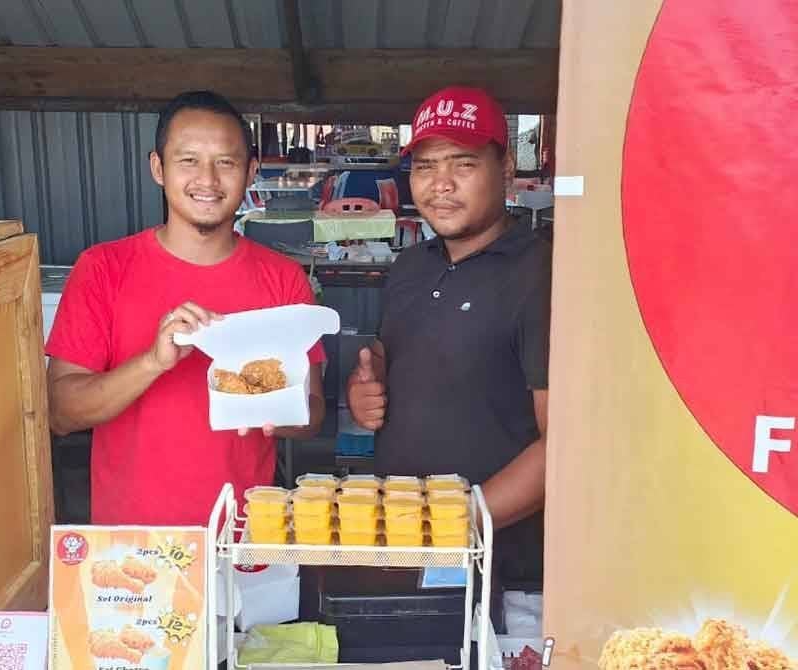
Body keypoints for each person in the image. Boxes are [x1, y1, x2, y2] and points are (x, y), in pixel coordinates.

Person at [46, 90, 326, 526]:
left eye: (226, 162)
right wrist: (152, 362)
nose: (208, 180)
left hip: (244, 540)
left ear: (251, 171)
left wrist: (280, 412)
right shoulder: (103, 268)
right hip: (135, 549)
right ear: (158, 167)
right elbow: (60, 412)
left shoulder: (283, 279)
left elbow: (313, 410)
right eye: (188, 160)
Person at [347, 85, 551, 580]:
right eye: (425, 166)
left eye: (462, 164)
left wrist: (458, 523)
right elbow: (389, 355)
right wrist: (362, 389)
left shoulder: (543, 273)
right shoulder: (411, 266)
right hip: (400, 544)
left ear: (504, 171)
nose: (441, 183)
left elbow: (564, 443)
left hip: (498, 563)